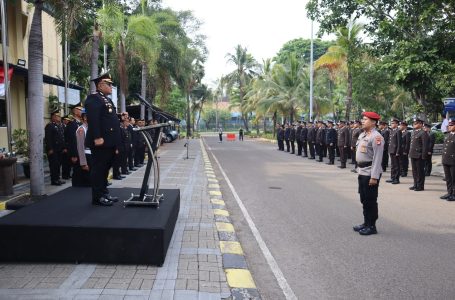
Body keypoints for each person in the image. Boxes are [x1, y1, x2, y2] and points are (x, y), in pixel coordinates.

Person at [84, 72, 121, 206]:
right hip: (101, 142)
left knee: (105, 169)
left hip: (109, 142)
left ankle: (104, 193)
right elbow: (94, 120)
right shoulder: (94, 98)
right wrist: (98, 137)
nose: (111, 87)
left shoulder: (106, 99)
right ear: (100, 85)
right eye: (109, 84)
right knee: (98, 169)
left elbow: (108, 119)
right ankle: (97, 197)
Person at [353, 111, 384, 236]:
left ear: (373, 122)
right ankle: (366, 223)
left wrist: (374, 177)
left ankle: (372, 226)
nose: (362, 121)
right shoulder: (363, 135)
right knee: (364, 199)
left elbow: (377, 158)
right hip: (362, 171)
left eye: (365, 119)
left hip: (370, 172)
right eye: (363, 119)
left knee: (370, 200)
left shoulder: (376, 137)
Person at [45, 110, 65, 186]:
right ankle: (54, 180)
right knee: (54, 165)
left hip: (59, 149)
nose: (59, 118)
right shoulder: (49, 126)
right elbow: (48, 138)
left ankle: (57, 178)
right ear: (53, 117)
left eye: (59, 116)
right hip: (53, 150)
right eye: (57, 116)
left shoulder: (59, 125)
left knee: (58, 165)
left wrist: (63, 148)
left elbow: (61, 138)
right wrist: (50, 149)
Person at [409, 117, 429, 191]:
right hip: (413, 154)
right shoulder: (413, 132)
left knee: (420, 171)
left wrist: (424, 156)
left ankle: (420, 186)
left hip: (419, 155)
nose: (414, 124)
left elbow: (425, 146)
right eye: (414, 123)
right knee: (414, 171)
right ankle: (415, 184)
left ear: (421, 124)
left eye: (416, 123)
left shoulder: (423, 133)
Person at [66, 103, 84, 186]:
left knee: (81, 169)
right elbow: (71, 140)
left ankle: (80, 183)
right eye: (80, 110)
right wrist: (74, 154)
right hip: (76, 151)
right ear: (75, 111)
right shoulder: (72, 124)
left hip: (81, 150)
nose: (82, 111)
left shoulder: (79, 123)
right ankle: (76, 185)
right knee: (76, 170)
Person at [75, 108, 91, 187]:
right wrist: (84, 163)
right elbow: (80, 147)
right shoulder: (81, 129)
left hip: (92, 156)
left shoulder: (90, 128)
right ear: (85, 117)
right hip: (86, 157)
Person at [440, 119, 455, 201]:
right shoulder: (448, 135)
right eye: (449, 125)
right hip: (446, 160)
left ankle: (454, 194)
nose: (449, 126)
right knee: (448, 178)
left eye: (451, 125)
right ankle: (449, 192)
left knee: (454, 178)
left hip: (453, 161)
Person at [386, 118, 402, 184]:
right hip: (391, 150)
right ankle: (392, 177)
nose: (391, 124)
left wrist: (398, 151)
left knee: (396, 166)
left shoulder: (398, 131)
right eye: (391, 123)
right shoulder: (392, 131)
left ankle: (396, 179)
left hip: (395, 151)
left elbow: (399, 143)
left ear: (397, 124)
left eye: (393, 123)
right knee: (392, 165)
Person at [61, 115, 72, 180]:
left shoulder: (67, 126)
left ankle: (68, 174)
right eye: (66, 120)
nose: (68, 121)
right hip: (64, 147)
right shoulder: (61, 126)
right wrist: (64, 147)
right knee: (64, 163)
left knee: (68, 162)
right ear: (64, 120)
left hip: (68, 147)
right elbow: (63, 139)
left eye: (68, 120)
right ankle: (64, 175)